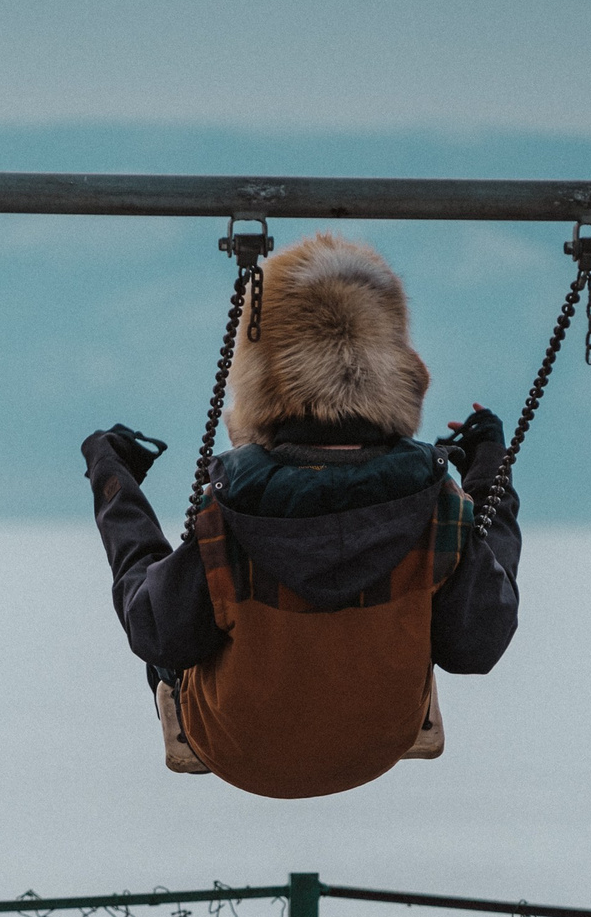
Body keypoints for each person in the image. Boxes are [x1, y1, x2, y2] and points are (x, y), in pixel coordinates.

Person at [81, 233, 523, 800]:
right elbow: (476, 644)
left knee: (173, 611)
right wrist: (490, 474)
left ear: (263, 378)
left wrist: (112, 477)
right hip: (379, 742)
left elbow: (155, 633)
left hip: (238, 746)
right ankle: (400, 689)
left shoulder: (229, 505)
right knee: (431, 583)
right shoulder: (437, 502)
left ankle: (187, 717)